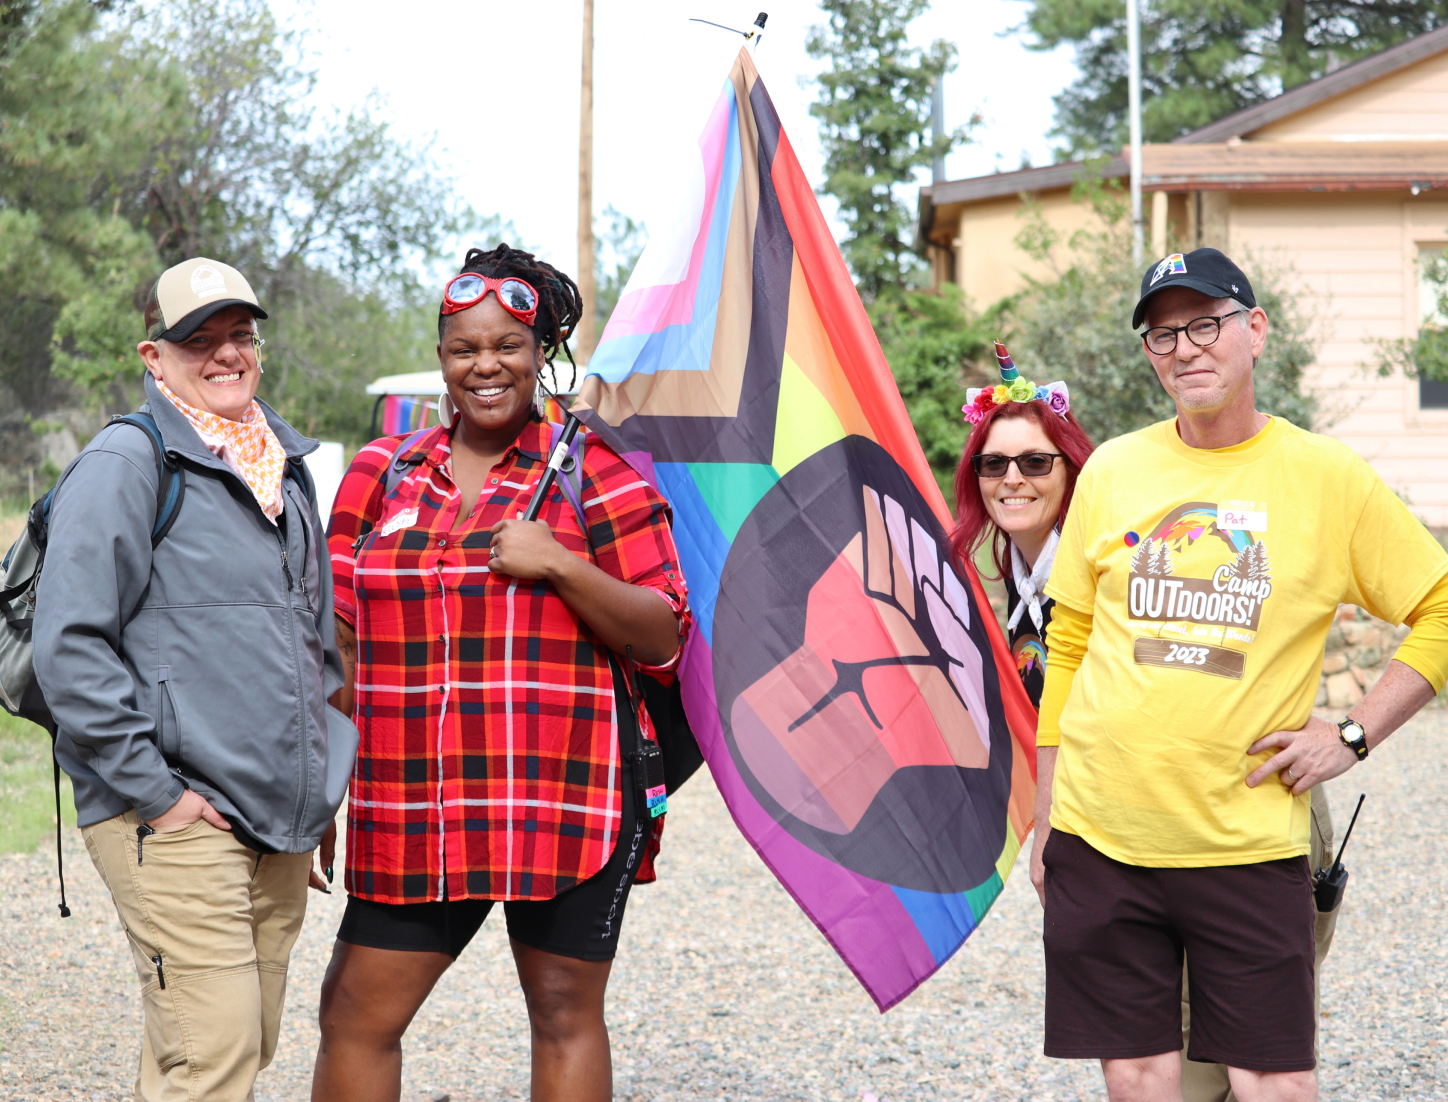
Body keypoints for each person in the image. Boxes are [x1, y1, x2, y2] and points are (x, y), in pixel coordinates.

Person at [1031, 246, 1448, 1102]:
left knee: (1275, 1085)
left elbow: (1439, 606)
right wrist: (1047, 818)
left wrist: (1353, 731)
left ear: (1256, 331)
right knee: (1141, 1081)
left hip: (1248, 844)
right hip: (1104, 836)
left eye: (1206, 324)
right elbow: (1068, 640)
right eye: (1161, 334)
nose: (1184, 348)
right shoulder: (1113, 469)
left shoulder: (1326, 478)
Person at [312, 244, 691, 1102]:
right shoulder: (383, 471)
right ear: (442, 358)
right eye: (463, 348)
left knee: (562, 1011)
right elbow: (335, 637)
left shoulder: (594, 468)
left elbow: (665, 635)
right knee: (354, 1015)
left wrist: (564, 564)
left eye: (507, 346)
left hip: (566, 793)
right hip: (412, 798)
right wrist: (317, 785)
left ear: (541, 350)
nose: (485, 365)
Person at [955, 342, 1342, 1102]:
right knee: (1153, 1067)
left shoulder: (1120, 553)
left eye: (1036, 462)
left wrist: (1346, 733)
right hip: (1124, 832)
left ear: (1075, 469)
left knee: (1234, 1072)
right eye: (993, 465)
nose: (1012, 479)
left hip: (1234, 819)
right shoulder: (1017, 575)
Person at [32, 257, 356, 1102]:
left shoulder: (285, 468)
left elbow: (313, 644)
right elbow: (69, 647)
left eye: (239, 335)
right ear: (154, 356)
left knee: (227, 1045)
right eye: (197, 339)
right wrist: (159, 795)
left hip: (274, 817)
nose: (224, 354)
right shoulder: (127, 462)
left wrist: (313, 787)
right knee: (215, 1051)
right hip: (169, 812)